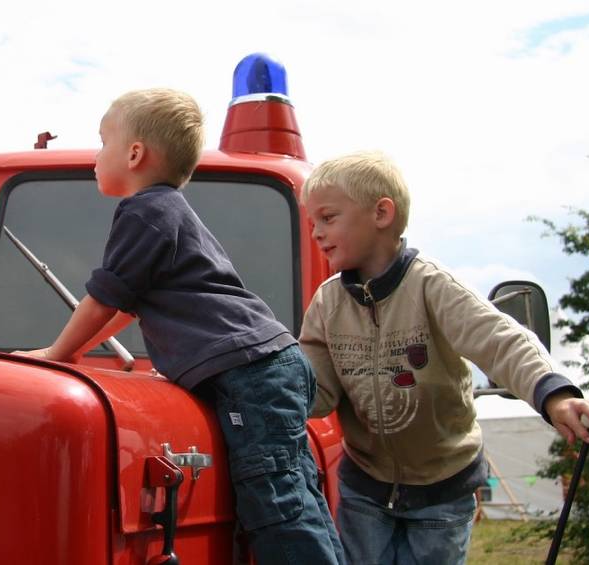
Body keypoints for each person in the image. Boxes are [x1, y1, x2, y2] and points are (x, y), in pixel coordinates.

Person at [18, 88, 345, 564]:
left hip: (249, 372)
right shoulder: (169, 211)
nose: (96, 155)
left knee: (276, 506)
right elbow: (127, 307)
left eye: (102, 142)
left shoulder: (144, 211)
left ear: (134, 154)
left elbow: (105, 297)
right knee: (298, 495)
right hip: (268, 364)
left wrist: (56, 355)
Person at [297, 150, 589, 564]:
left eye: (328, 218)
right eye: (312, 223)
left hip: (442, 491)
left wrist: (556, 396)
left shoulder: (431, 286)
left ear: (381, 213)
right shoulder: (327, 304)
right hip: (366, 489)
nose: (317, 233)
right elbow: (316, 389)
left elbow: (500, 341)